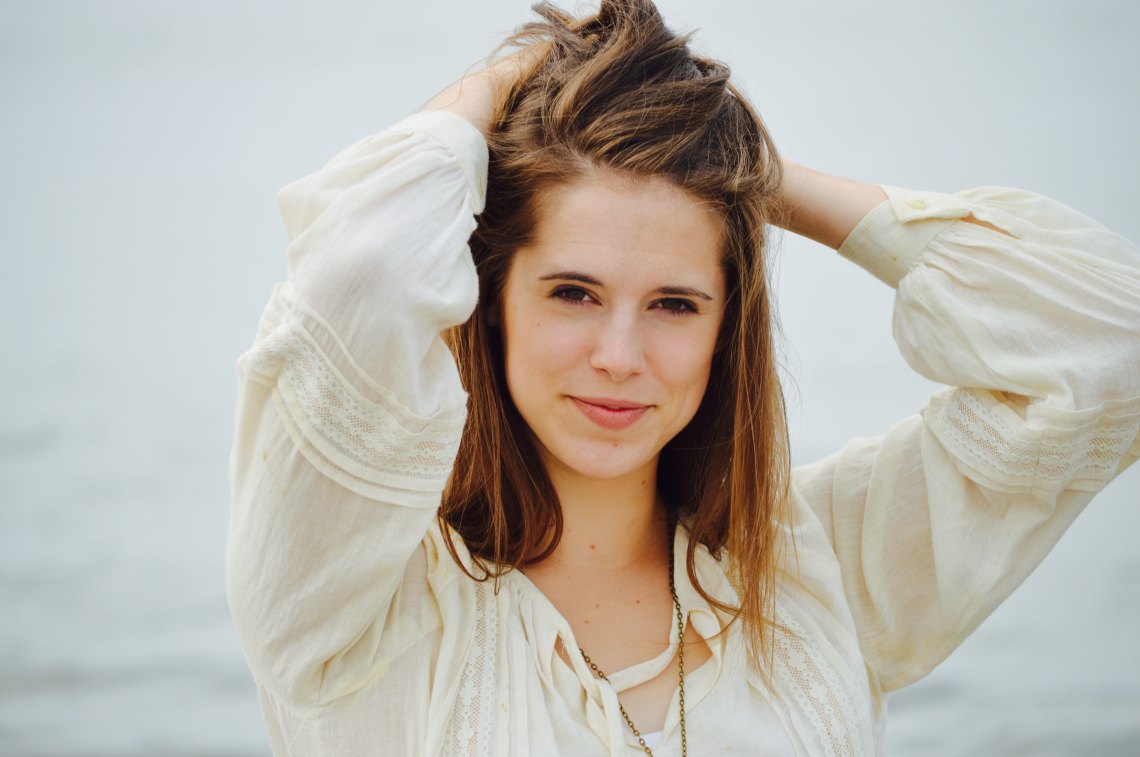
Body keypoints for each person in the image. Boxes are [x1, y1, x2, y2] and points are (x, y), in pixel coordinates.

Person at [226, 1, 1140, 754]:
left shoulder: (820, 569)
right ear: (492, 298)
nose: (620, 355)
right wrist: (516, 80)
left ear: (725, 329)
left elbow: (1108, 346)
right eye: (574, 292)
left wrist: (748, 179)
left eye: (675, 303)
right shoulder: (346, 602)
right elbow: (359, 274)